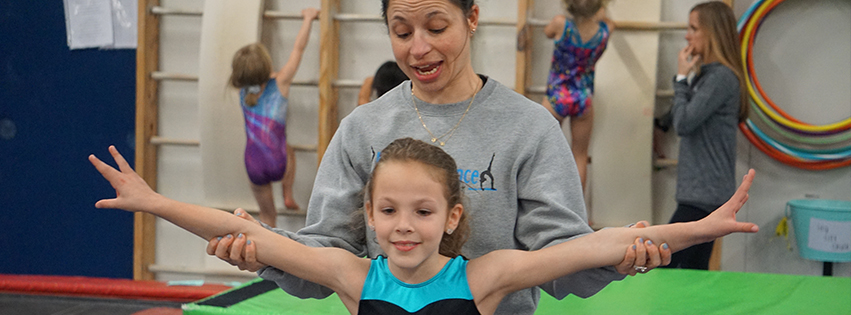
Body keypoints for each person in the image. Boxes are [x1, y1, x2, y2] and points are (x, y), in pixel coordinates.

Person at [209, 1, 670, 313]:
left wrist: (615, 258)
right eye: (401, 31)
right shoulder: (362, 129)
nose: (418, 49)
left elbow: (559, 259)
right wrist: (263, 252)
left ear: (471, 17)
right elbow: (328, 255)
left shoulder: (528, 128)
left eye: (436, 28)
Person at [89, 139, 759, 315]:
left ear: (451, 218)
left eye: (421, 212)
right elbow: (260, 238)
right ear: (369, 216)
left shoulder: (485, 277)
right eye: (387, 212)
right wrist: (154, 201)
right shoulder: (354, 275)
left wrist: (699, 228)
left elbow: (597, 244)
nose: (403, 227)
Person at [656, 1, 748, 270]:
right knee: (694, 269)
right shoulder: (707, 77)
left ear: (712, 33)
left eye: (693, 28)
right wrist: (660, 125)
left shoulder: (720, 79)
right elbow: (683, 113)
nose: (687, 35)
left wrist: (681, 78)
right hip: (700, 193)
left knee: (664, 261)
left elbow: (685, 122)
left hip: (704, 196)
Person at [227, 8, 320, 227]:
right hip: (278, 160)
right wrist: (308, 19)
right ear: (267, 66)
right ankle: (287, 192)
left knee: (267, 218)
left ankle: (267, 255)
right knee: (289, 149)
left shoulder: (243, 92)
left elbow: (250, 78)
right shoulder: (280, 83)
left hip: (252, 164)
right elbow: (299, 49)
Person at [541, 0, 614, 190]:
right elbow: (606, 18)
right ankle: (577, 211)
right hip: (583, 97)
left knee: (542, 153)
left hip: (557, 95)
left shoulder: (561, 24)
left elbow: (547, 32)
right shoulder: (606, 30)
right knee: (579, 155)